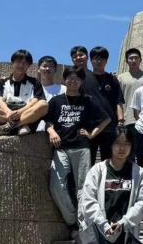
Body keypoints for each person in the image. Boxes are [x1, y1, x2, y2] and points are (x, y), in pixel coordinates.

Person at [47, 68, 111, 229]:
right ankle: (71, 219)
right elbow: (47, 121)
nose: (73, 81)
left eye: (76, 78)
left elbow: (106, 119)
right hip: (61, 148)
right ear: (64, 80)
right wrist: (52, 131)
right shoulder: (56, 101)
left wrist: (92, 134)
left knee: (83, 188)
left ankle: (83, 225)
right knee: (56, 185)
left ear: (81, 82)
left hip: (81, 147)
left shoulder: (87, 100)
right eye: (69, 78)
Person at [0, 49, 50, 136]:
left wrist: (20, 112)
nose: (21, 65)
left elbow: (35, 100)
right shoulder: (2, 82)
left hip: (26, 114)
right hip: (7, 114)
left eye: (25, 63)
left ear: (29, 65)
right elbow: (0, 100)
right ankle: (17, 126)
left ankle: (8, 127)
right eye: (18, 62)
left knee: (44, 104)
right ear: (12, 63)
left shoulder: (35, 82)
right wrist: (8, 112)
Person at [81, 46, 123, 162]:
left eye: (102, 58)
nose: (99, 61)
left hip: (109, 127)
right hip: (90, 127)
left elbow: (118, 101)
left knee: (109, 161)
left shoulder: (112, 79)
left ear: (106, 61)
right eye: (96, 58)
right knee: (88, 161)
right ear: (91, 60)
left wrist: (121, 121)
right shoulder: (84, 78)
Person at [117, 48, 143, 138]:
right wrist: (120, 119)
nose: (134, 60)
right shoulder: (120, 78)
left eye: (136, 58)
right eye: (131, 58)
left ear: (140, 60)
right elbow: (118, 100)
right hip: (127, 120)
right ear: (126, 61)